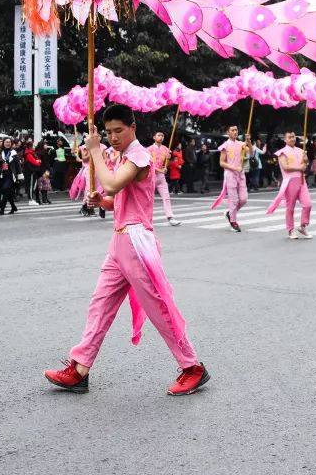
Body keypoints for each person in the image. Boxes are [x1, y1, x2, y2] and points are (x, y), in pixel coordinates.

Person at [43, 104, 210, 396]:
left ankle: (192, 366)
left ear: (133, 127)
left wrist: (95, 151)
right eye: (108, 132)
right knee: (100, 305)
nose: (113, 136)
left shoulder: (140, 157)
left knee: (159, 307)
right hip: (119, 242)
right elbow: (115, 197)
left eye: (118, 130)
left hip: (136, 241)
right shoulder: (121, 157)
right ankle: (80, 367)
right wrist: (101, 202)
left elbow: (113, 184)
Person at [266, 131, 312, 239]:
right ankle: (291, 229)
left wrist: (305, 161)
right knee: (290, 207)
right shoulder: (282, 152)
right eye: (289, 137)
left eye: (293, 137)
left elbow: (305, 166)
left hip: (301, 180)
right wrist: (299, 168)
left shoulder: (301, 151)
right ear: (285, 139)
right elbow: (285, 167)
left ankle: (303, 226)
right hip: (290, 181)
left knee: (308, 204)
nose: (292, 139)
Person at [214, 125, 250, 232]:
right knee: (233, 200)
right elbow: (221, 162)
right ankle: (233, 222)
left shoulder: (241, 144)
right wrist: (234, 167)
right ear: (228, 132)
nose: (235, 132)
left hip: (241, 174)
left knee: (243, 199)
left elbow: (250, 152)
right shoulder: (225, 145)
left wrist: (249, 142)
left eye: (236, 130)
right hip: (230, 175)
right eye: (232, 130)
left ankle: (229, 213)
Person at [147, 132, 182, 227]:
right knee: (149, 198)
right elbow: (148, 164)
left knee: (166, 197)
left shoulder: (165, 149)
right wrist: (160, 170)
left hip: (161, 177)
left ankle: (170, 217)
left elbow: (169, 161)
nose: (161, 137)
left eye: (162, 136)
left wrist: (169, 160)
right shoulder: (148, 149)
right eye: (159, 135)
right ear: (154, 137)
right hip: (151, 176)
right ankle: (146, 218)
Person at [0, 137, 20, 215]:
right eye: (6, 142)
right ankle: (13, 207)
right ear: (3, 143)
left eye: (9, 142)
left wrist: (19, 176)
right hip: (2, 175)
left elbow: (18, 165)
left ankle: (2, 209)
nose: (8, 143)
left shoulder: (14, 152)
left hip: (10, 175)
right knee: (7, 192)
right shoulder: (0, 152)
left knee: (6, 190)